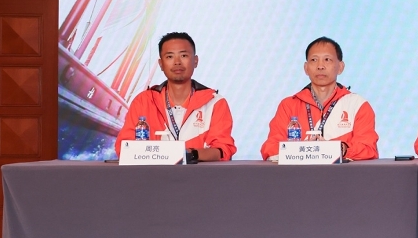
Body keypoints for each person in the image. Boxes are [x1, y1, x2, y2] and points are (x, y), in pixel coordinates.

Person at [115, 31, 236, 161]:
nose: (177, 62)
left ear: (195, 61)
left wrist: (190, 154)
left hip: (199, 173)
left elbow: (223, 150)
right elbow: (124, 148)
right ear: (161, 64)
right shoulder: (144, 101)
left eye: (184, 55)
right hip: (153, 173)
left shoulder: (214, 102)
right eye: (169, 57)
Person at [260, 37, 379, 161]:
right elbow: (269, 149)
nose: (320, 66)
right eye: (314, 60)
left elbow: (369, 149)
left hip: (343, 173)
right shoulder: (289, 105)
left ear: (340, 67)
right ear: (306, 68)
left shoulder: (357, 105)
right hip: (299, 173)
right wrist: (303, 150)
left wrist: (340, 149)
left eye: (327, 59)